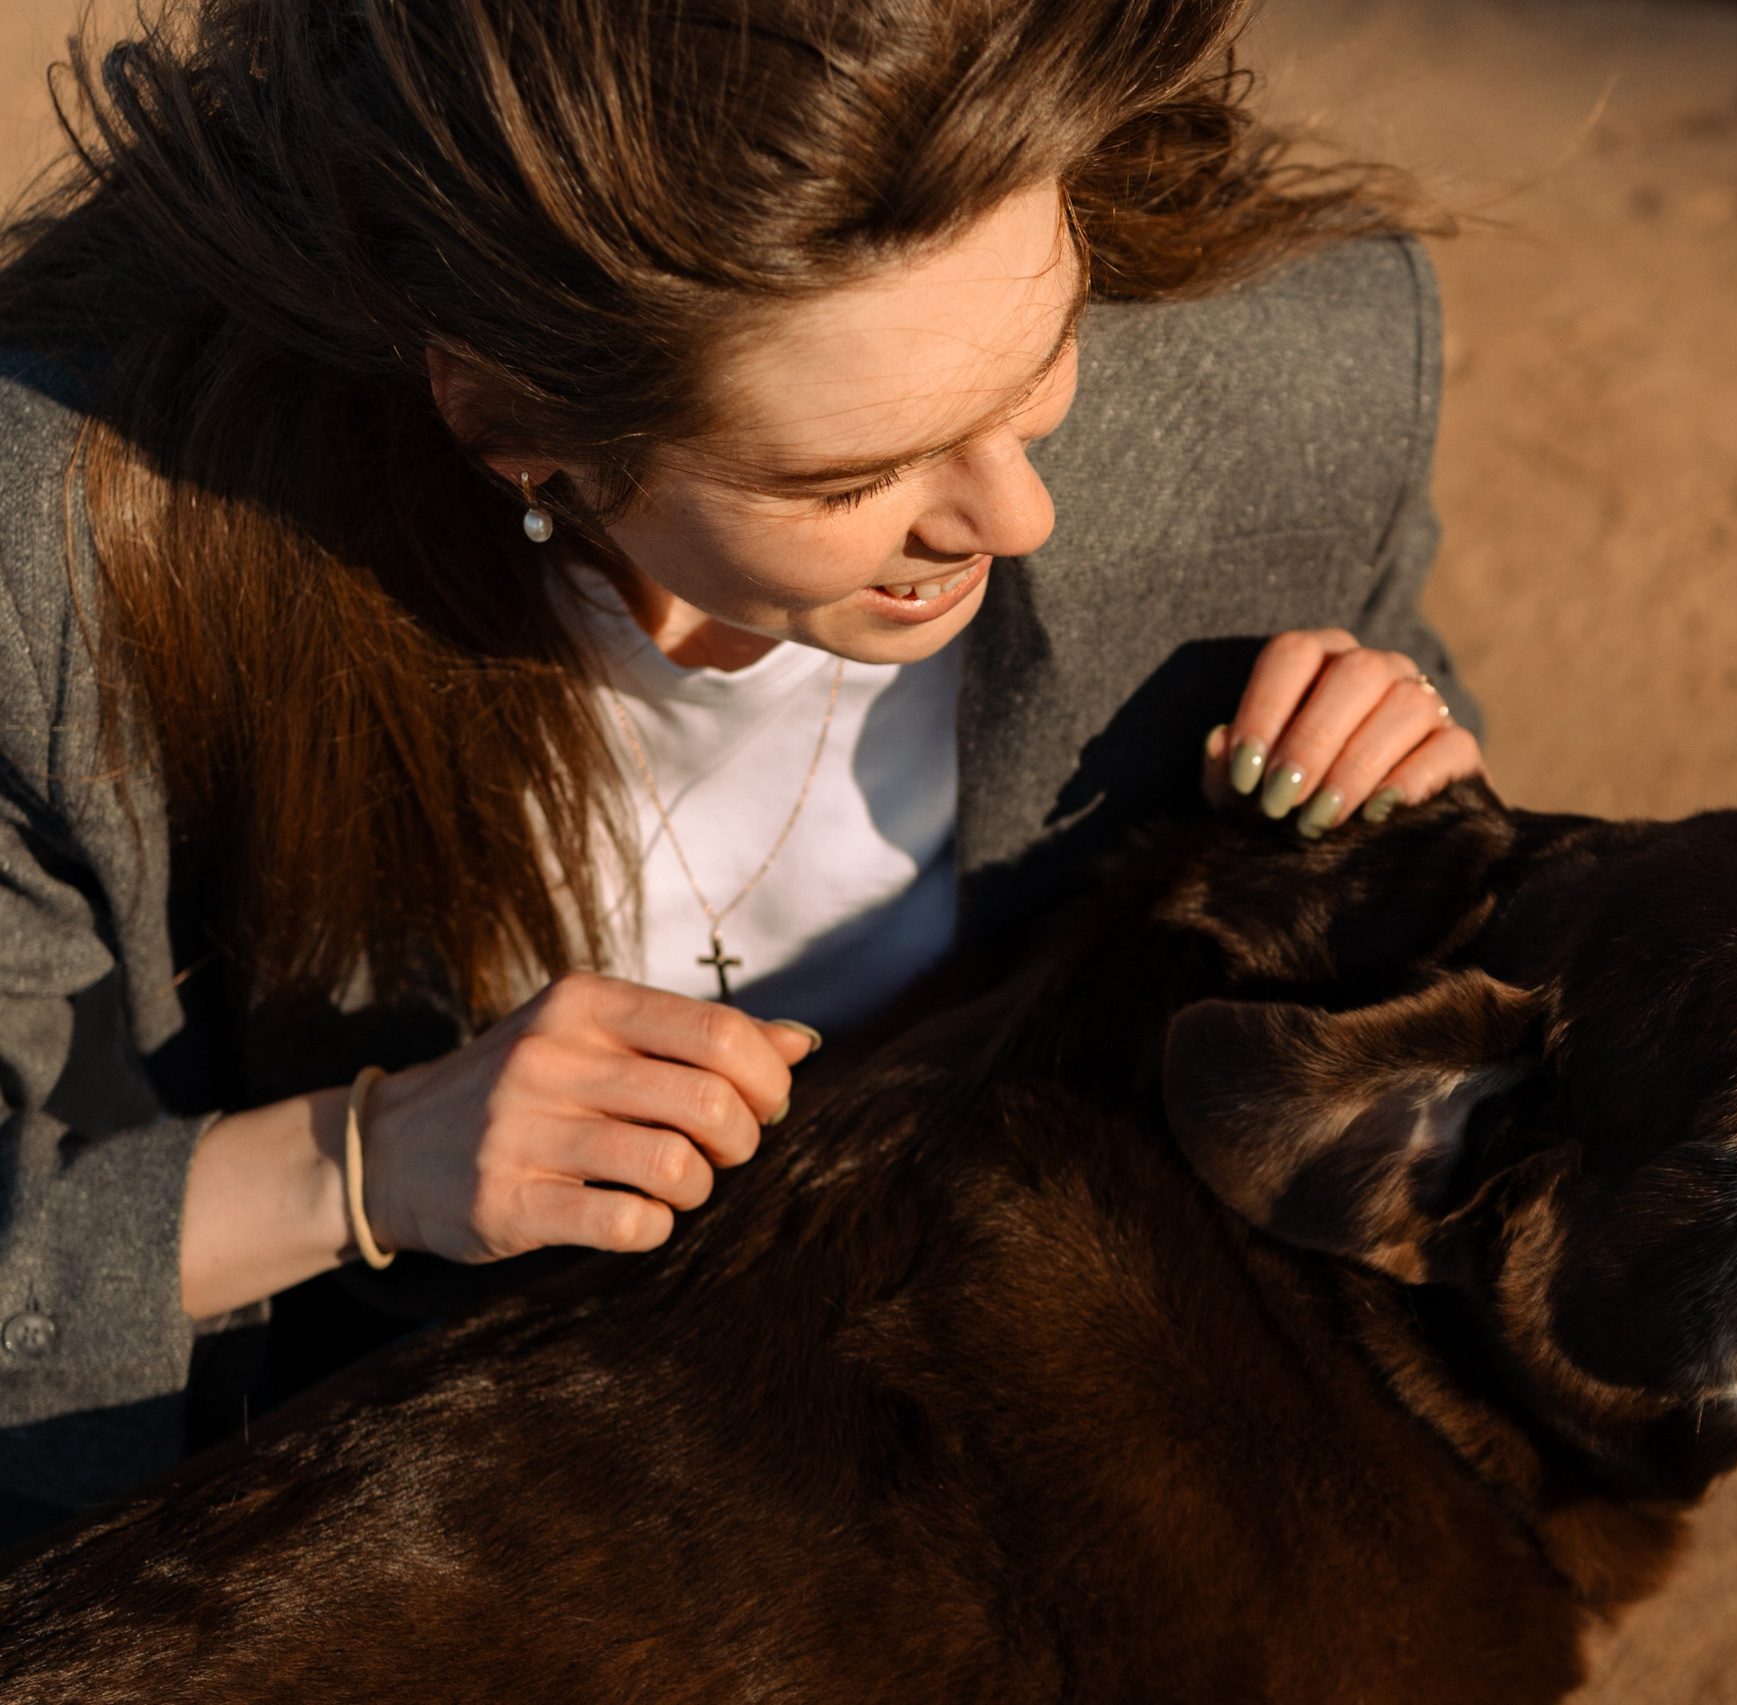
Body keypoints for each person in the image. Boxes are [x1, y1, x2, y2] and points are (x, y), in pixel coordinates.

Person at [0, 0, 1484, 1535]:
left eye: (1041, 363)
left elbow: (1410, 971)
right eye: (851, 474)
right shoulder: (68, 554)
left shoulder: (1289, 386)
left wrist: (1397, 814)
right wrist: (362, 1165)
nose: (1014, 512)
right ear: (511, 418)